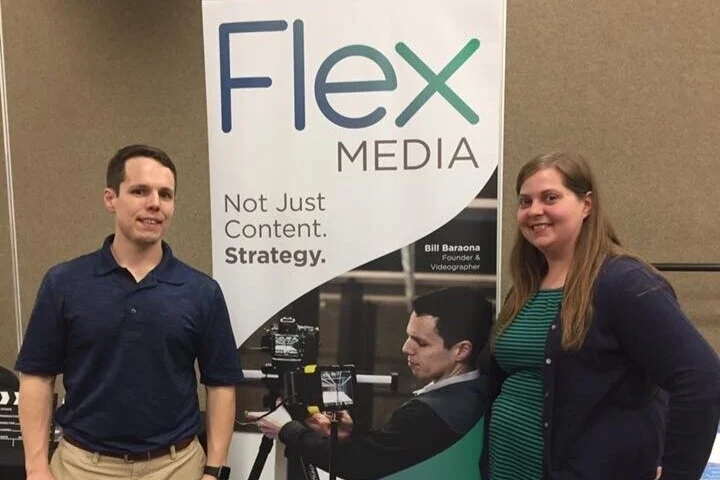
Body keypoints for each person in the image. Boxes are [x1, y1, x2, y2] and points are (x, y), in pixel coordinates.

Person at [485, 151, 720, 480]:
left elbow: (701, 378)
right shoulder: (526, 286)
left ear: (586, 204)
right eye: (525, 201)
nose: (534, 210)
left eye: (550, 197)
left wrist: (676, 472)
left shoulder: (624, 283)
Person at [15, 144, 244, 480]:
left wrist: (213, 471)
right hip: (82, 467)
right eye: (140, 191)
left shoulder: (201, 291)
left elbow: (221, 384)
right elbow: (37, 376)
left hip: (176, 467)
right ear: (111, 198)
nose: (155, 203)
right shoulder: (64, 283)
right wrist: (36, 467)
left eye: (165, 195)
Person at [247, 287, 493, 479]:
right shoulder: (478, 393)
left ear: (461, 350)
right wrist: (351, 433)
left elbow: (357, 464)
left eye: (421, 342)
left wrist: (287, 429)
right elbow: (399, 449)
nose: (406, 348)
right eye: (408, 336)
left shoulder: (430, 412)